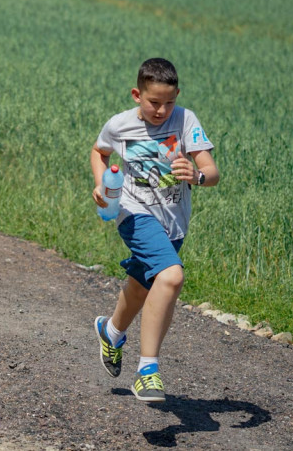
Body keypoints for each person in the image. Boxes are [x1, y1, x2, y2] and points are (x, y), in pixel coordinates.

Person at [91, 58, 219, 403]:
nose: (162, 110)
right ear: (137, 94)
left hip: (174, 221)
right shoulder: (119, 125)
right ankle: (147, 371)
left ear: (177, 96)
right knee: (172, 277)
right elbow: (98, 151)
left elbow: (211, 170)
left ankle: (111, 331)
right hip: (133, 214)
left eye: (169, 102)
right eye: (154, 102)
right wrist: (102, 185)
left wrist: (197, 175)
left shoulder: (186, 119)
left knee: (143, 285)